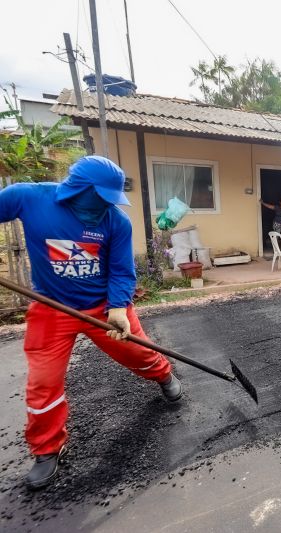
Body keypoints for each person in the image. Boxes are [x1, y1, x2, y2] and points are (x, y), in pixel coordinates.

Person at [0, 156, 182, 490]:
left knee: (138, 352)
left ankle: (163, 373)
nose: (107, 204)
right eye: (102, 196)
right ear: (80, 188)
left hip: (102, 308)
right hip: (51, 307)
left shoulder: (116, 222)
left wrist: (117, 309)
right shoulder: (27, 198)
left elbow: (123, 270)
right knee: (43, 380)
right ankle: (47, 449)